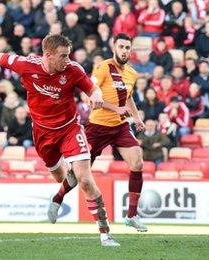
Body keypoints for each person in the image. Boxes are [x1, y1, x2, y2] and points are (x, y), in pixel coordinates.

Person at [0, 34, 119, 246]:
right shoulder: (26, 65)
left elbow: (92, 88)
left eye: (68, 55)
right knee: (61, 177)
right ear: (47, 55)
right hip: (43, 133)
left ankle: (105, 234)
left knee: (84, 179)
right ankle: (59, 195)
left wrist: (96, 94)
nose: (67, 60)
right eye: (63, 56)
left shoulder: (73, 70)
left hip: (70, 128)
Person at [48, 33, 147, 232]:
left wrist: (136, 118)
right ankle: (58, 198)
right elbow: (90, 96)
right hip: (97, 127)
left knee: (137, 162)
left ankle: (132, 215)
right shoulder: (103, 68)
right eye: (121, 47)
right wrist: (116, 109)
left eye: (128, 48)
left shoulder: (132, 74)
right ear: (114, 47)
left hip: (119, 127)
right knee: (78, 176)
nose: (125, 51)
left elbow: (128, 98)